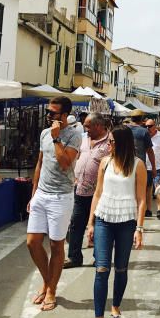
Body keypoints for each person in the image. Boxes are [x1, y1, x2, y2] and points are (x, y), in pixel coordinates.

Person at [82, 125, 147, 318]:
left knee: (120, 268)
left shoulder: (138, 166)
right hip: (103, 219)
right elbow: (98, 194)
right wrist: (90, 223)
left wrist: (139, 228)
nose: (109, 145)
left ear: (122, 143)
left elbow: (141, 200)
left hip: (127, 222)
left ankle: (116, 308)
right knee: (101, 269)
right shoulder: (105, 162)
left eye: (112, 142)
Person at [27, 96, 82, 311]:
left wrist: (57, 139)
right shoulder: (43, 134)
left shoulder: (74, 136)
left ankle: (51, 289)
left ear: (64, 115)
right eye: (48, 112)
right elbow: (40, 163)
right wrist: (33, 194)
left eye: (53, 113)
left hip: (61, 196)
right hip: (41, 194)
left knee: (56, 245)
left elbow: (65, 164)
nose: (48, 116)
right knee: (32, 242)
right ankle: (47, 281)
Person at [65, 114, 111, 269]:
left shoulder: (110, 142)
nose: (85, 129)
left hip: (99, 193)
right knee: (76, 224)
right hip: (79, 190)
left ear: (98, 126)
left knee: (98, 227)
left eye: (88, 126)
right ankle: (74, 257)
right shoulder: (83, 138)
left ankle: (99, 258)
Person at [127, 113, 156, 216]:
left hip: (125, 165)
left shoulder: (124, 129)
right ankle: (138, 216)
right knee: (140, 192)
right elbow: (150, 151)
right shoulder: (144, 132)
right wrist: (153, 167)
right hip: (140, 166)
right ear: (142, 120)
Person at [145, 120, 160, 219]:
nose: (147, 128)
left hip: (158, 167)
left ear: (155, 126)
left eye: (149, 126)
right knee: (148, 189)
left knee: (158, 188)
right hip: (145, 166)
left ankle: (159, 209)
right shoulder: (144, 135)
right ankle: (148, 209)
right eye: (146, 126)